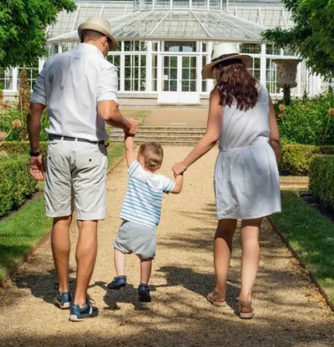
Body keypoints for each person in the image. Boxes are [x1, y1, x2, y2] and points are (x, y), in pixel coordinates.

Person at [28, 16, 139, 322]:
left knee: (60, 219)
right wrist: (127, 123)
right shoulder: (102, 66)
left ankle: (63, 291)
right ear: (104, 41)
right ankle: (80, 301)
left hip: (58, 146)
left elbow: (34, 110)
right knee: (87, 223)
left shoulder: (53, 63)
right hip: (89, 148)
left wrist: (35, 151)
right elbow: (106, 111)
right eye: (109, 46)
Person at [172, 42, 281, 320]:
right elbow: (275, 136)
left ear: (219, 68)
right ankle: (245, 297)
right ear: (241, 64)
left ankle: (220, 292)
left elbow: (212, 136)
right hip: (261, 158)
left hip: (232, 161)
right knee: (252, 232)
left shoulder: (218, 93)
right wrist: (274, 167)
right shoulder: (260, 89)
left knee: (225, 228)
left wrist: (184, 163)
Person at [107, 136, 183, 302]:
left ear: (140, 160)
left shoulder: (136, 172)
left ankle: (120, 275)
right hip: (148, 227)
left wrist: (129, 134)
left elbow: (128, 150)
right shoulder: (161, 181)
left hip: (130, 222)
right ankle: (143, 285)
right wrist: (179, 173)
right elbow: (177, 188)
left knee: (119, 247)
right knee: (146, 257)